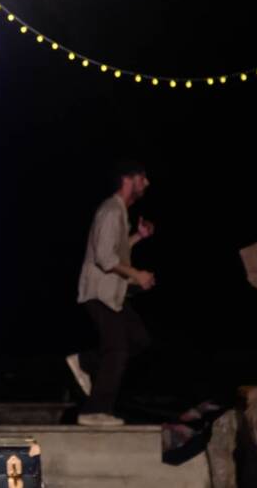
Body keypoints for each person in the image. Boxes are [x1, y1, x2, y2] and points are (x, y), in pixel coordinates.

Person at [67, 160, 155, 427]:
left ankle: (85, 361)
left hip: (113, 295)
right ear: (128, 179)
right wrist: (137, 275)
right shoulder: (111, 211)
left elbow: (114, 249)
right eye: (142, 177)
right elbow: (105, 258)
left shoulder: (119, 212)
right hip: (99, 292)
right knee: (117, 349)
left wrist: (137, 237)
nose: (146, 183)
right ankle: (94, 410)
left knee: (138, 339)